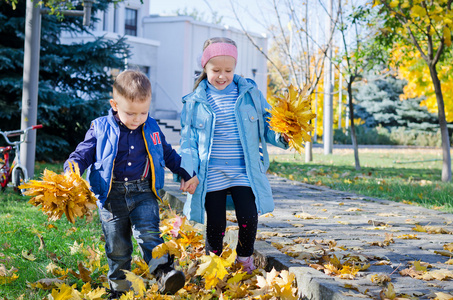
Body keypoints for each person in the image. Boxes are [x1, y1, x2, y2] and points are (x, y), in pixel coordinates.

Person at [64, 70, 199, 298]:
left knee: (149, 234)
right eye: (131, 113)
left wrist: (186, 172)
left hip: (143, 192)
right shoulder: (100, 128)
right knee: (118, 248)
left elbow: (167, 153)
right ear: (114, 105)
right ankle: (119, 290)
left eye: (143, 112)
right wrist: (72, 170)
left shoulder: (152, 127)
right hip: (110, 196)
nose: (137, 119)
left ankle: (166, 273)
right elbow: (82, 154)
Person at [178, 37, 289, 274]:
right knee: (216, 222)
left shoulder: (250, 93)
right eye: (215, 70)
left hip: (243, 169)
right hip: (212, 171)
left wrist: (283, 136)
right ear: (205, 67)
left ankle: (244, 259)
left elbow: (268, 127)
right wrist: (188, 172)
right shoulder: (196, 101)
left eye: (228, 70)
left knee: (249, 216)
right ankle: (213, 264)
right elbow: (188, 142)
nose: (222, 76)